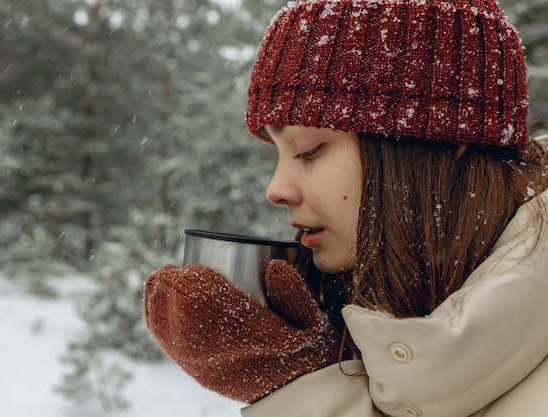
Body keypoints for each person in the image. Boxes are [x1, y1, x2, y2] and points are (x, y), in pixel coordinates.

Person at [144, 0, 548, 416]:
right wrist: (316, 374)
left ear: (436, 145)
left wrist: (300, 389)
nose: (275, 189)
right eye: (276, 154)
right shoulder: (371, 318)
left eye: (308, 150)